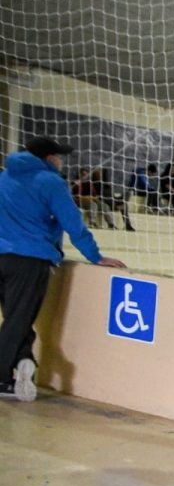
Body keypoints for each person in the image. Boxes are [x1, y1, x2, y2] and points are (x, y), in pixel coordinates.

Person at [0, 136, 126, 401]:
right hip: (30, 260)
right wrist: (95, 256)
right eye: (58, 157)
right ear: (49, 158)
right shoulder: (51, 182)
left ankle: (23, 362)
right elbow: (73, 222)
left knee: (14, 318)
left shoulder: (5, 177)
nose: (60, 161)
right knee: (17, 320)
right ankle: (2, 377)